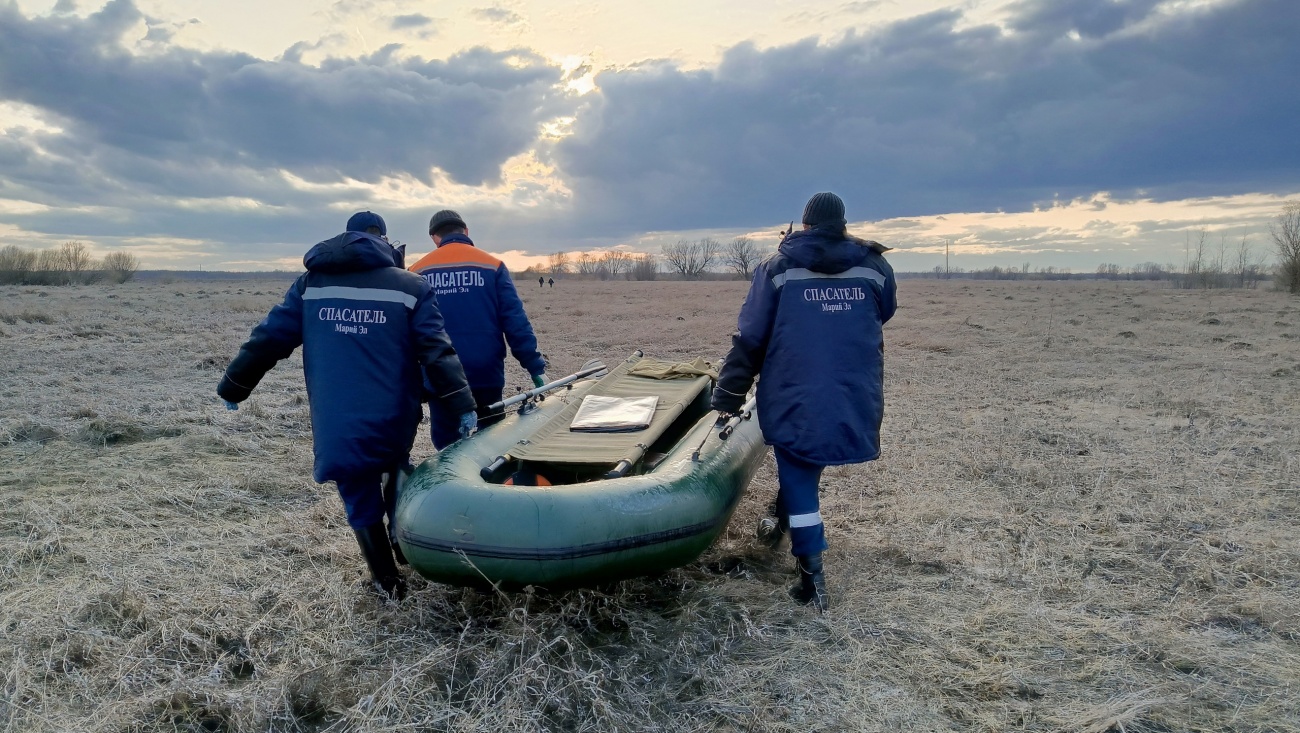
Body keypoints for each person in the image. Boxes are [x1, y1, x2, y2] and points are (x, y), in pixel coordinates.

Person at [217, 211, 478, 602]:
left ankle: (387, 584)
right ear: (384, 242)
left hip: (336, 419)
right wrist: (462, 405)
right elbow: (437, 353)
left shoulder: (311, 286)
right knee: (394, 462)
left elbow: (268, 339)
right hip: (394, 412)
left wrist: (234, 386)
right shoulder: (410, 287)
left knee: (357, 490)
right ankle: (402, 540)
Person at [711, 192, 897, 612]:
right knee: (808, 463)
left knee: (798, 474)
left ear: (805, 225)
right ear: (843, 224)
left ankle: (812, 580)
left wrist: (729, 391)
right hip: (853, 391)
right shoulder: (875, 266)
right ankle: (780, 515)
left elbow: (751, 337)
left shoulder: (776, 269)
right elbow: (883, 312)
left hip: (794, 391)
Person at [407, 209, 549, 448]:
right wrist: (535, 367)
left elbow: (408, 333)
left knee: (447, 449)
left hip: (440, 378)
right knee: (492, 444)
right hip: (486, 373)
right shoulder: (492, 266)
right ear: (466, 231)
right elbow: (515, 322)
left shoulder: (416, 272)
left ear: (434, 237)